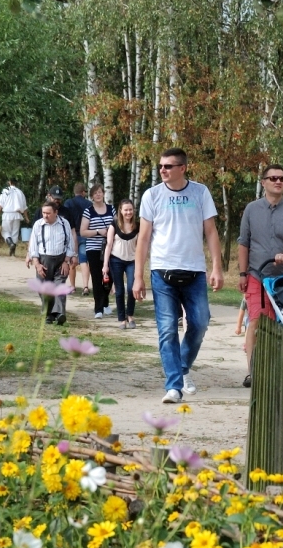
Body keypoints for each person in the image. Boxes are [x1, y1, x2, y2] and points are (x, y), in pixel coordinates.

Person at [133, 147, 225, 404]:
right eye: (161, 166)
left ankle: (183, 367)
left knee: (200, 322)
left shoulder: (200, 192)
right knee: (167, 329)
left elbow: (211, 232)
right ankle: (173, 386)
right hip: (162, 272)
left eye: (168, 166)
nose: (163, 170)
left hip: (194, 271)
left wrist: (216, 267)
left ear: (182, 168)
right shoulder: (152, 195)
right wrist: (138, 276)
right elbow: (143, 238)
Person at [237, 163, 283, 387]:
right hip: (257, 274)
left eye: (282, 179)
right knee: (256, 320)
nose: (278, 182)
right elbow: (243, 243)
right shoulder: (251, 209)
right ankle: (253, 371)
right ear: (263, 182)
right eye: (273, 178)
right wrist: (242, 273)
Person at [25, 200, 77, 325]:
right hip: (44, 260)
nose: (45, 216)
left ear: (56, 213)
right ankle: (48, 314)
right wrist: (37, 263)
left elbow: (70, 244)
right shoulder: (38, 225)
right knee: (44, 287)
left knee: (59, 286)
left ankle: (59, 314)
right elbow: (33, 245)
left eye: (48, 213)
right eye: (43, 213)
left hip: (61, 259)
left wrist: (67, 261)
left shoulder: (64, 224)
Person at [103, 199, 139, 329]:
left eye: (130, 209)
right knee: (119, 290)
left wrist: (140, 264)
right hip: (116, 260)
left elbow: (140, 247)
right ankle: (121, 319)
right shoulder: (114, 224)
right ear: (121, 211)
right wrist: (105, 265)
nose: (128, 212)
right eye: (126, 210)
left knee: (131, 289)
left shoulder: (138, 225)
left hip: (132, 261)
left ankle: (130, 315)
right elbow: (109, 245)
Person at [81, 183, 115, 318]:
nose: (98, 195)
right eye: (95, 193)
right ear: (91, 196)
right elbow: (83, 232)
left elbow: (118, 225)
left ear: (104, 194)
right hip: (93, 248)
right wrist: (98, 231)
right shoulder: (88, 211)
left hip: (111, 248)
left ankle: (105, 300)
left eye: (100, 192)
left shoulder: (111, 209)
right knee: (96, 278)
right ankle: (98, 309)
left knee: (110, 276)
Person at [61, 183, 93, 296]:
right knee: (84, 261)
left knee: (71, 262)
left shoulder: (68, 203)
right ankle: (85, 287)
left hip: (72, 234)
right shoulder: (89, 204)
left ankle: (73, 287)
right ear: (83, 192)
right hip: (85, 235)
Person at [0, 178, 28, 256]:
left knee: (5, 231)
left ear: (9, 182)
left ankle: (10, 243)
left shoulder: (5, 191)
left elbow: (0, 204)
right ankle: (13, 253)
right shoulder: (20, 192)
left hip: (7, 214)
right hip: (17, 215)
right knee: (15, 233)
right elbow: (24, 207)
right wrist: (26, 217)